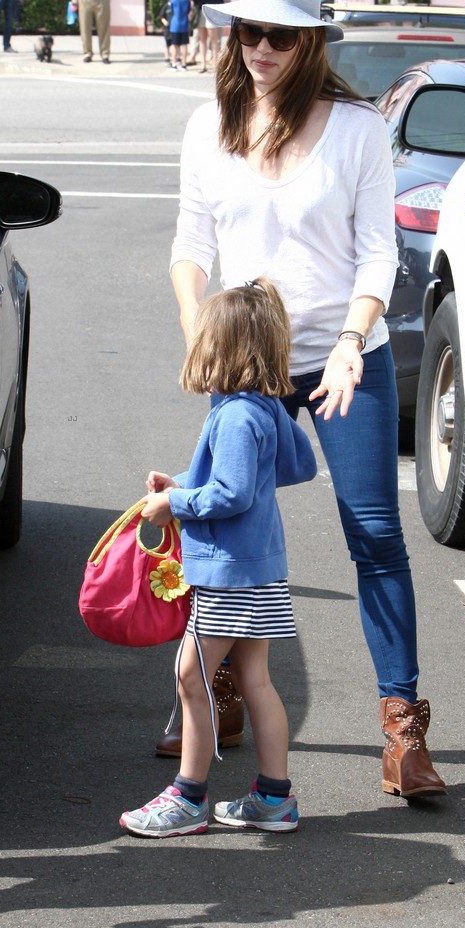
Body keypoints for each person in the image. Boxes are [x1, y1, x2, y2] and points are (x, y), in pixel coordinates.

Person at [166, 0, 448, 800]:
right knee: (224, 537)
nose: (260, 48)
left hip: (336, 354)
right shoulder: (208, 125)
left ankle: (401, 729)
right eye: (249, 31)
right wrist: (202, 339)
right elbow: (189, 245)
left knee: (373, 534)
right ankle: (218, 692)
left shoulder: (358, 129)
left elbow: (376, 253)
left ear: (310, 42)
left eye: (280, 36)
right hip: (243, 362)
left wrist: (356, 340)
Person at [120, 280, 317, 838]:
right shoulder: (263, 409)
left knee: (191, 676)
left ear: (224, 350)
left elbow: (230, 493)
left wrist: (173, 503)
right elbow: (283, 467)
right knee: (255, 680)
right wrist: (182, 483)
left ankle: (188, 798)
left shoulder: (233, 416)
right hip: (260, 570)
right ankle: (273, 797)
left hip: (229, 574)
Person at [190, 0, 230, 71]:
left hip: (212, 10)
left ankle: (215, 63)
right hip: (200, 10)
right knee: (202, 38)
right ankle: (203, 64)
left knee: (214, 39)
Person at [164, 0, 193, 70]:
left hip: (175, 24)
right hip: (184, 24)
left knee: (174, 45)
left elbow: (171, 9)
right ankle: (184, 64)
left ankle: (174, 63)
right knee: (184, 45)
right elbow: (189, 9)